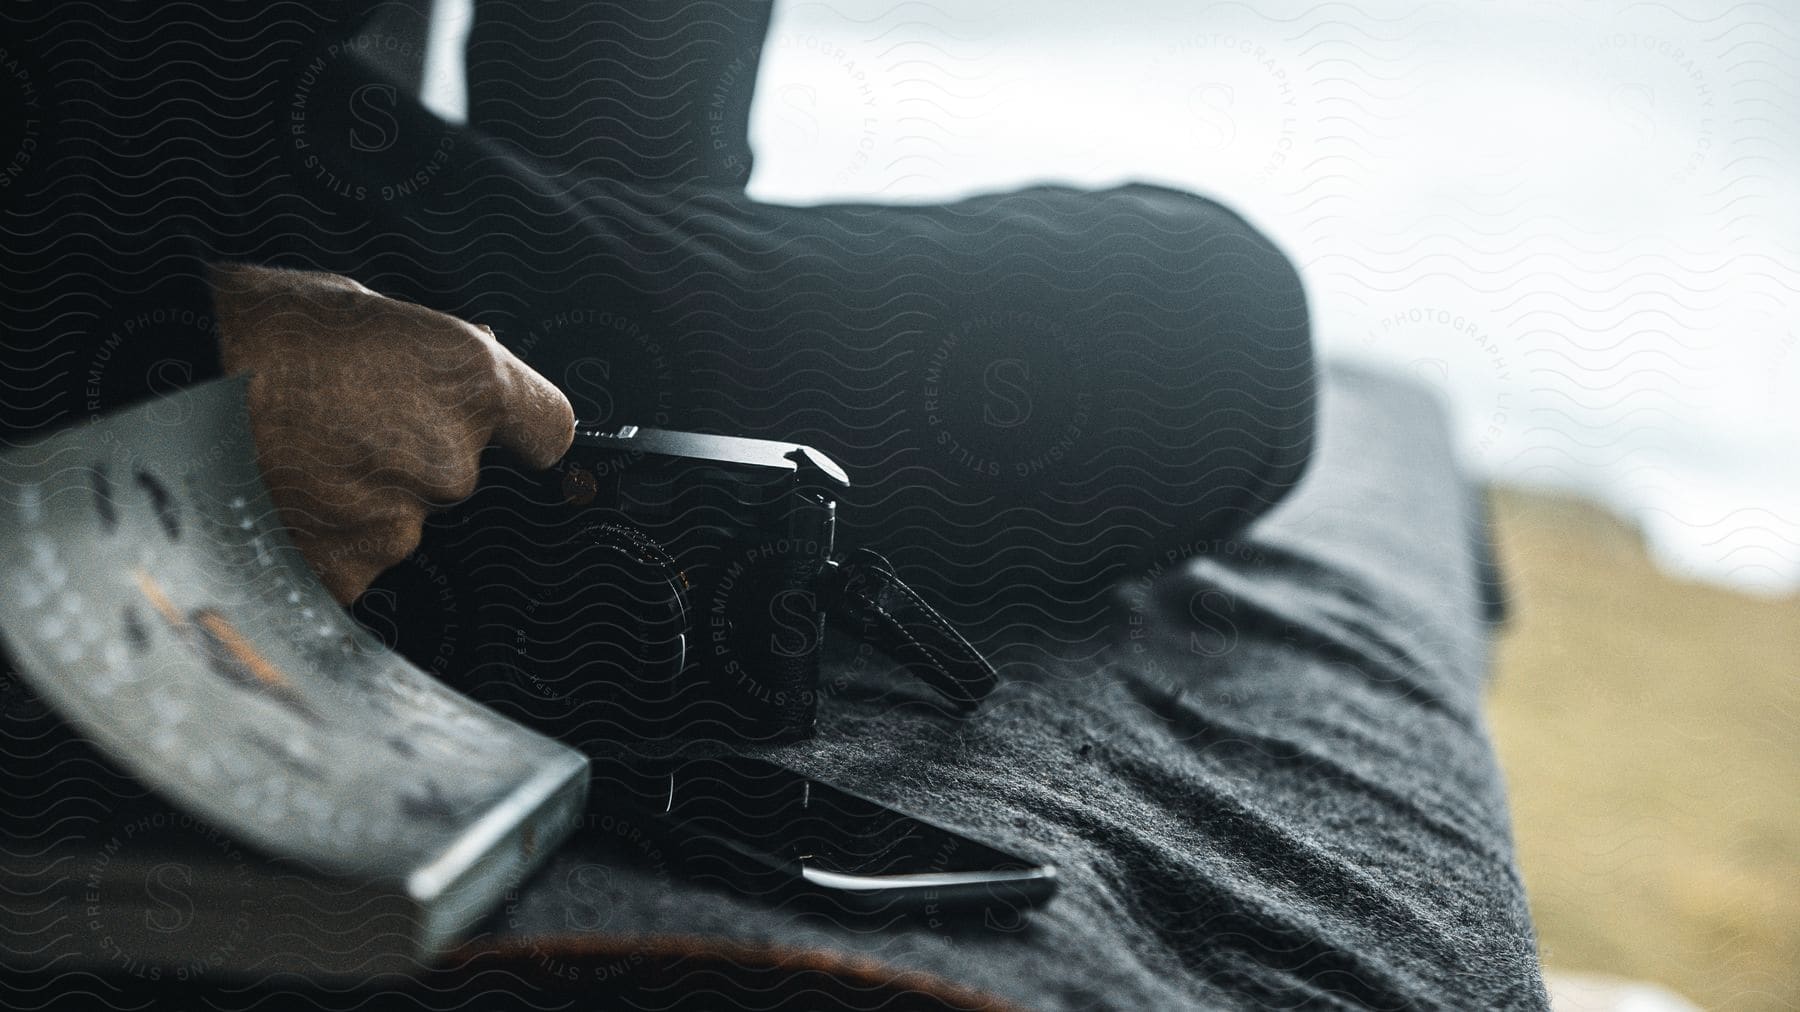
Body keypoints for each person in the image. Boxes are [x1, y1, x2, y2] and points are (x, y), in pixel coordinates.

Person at [1, 3, 1546, 1009]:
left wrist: (581, 370)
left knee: (1205, 336)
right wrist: (116, 374)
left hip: (352, 213)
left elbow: (623, 137)